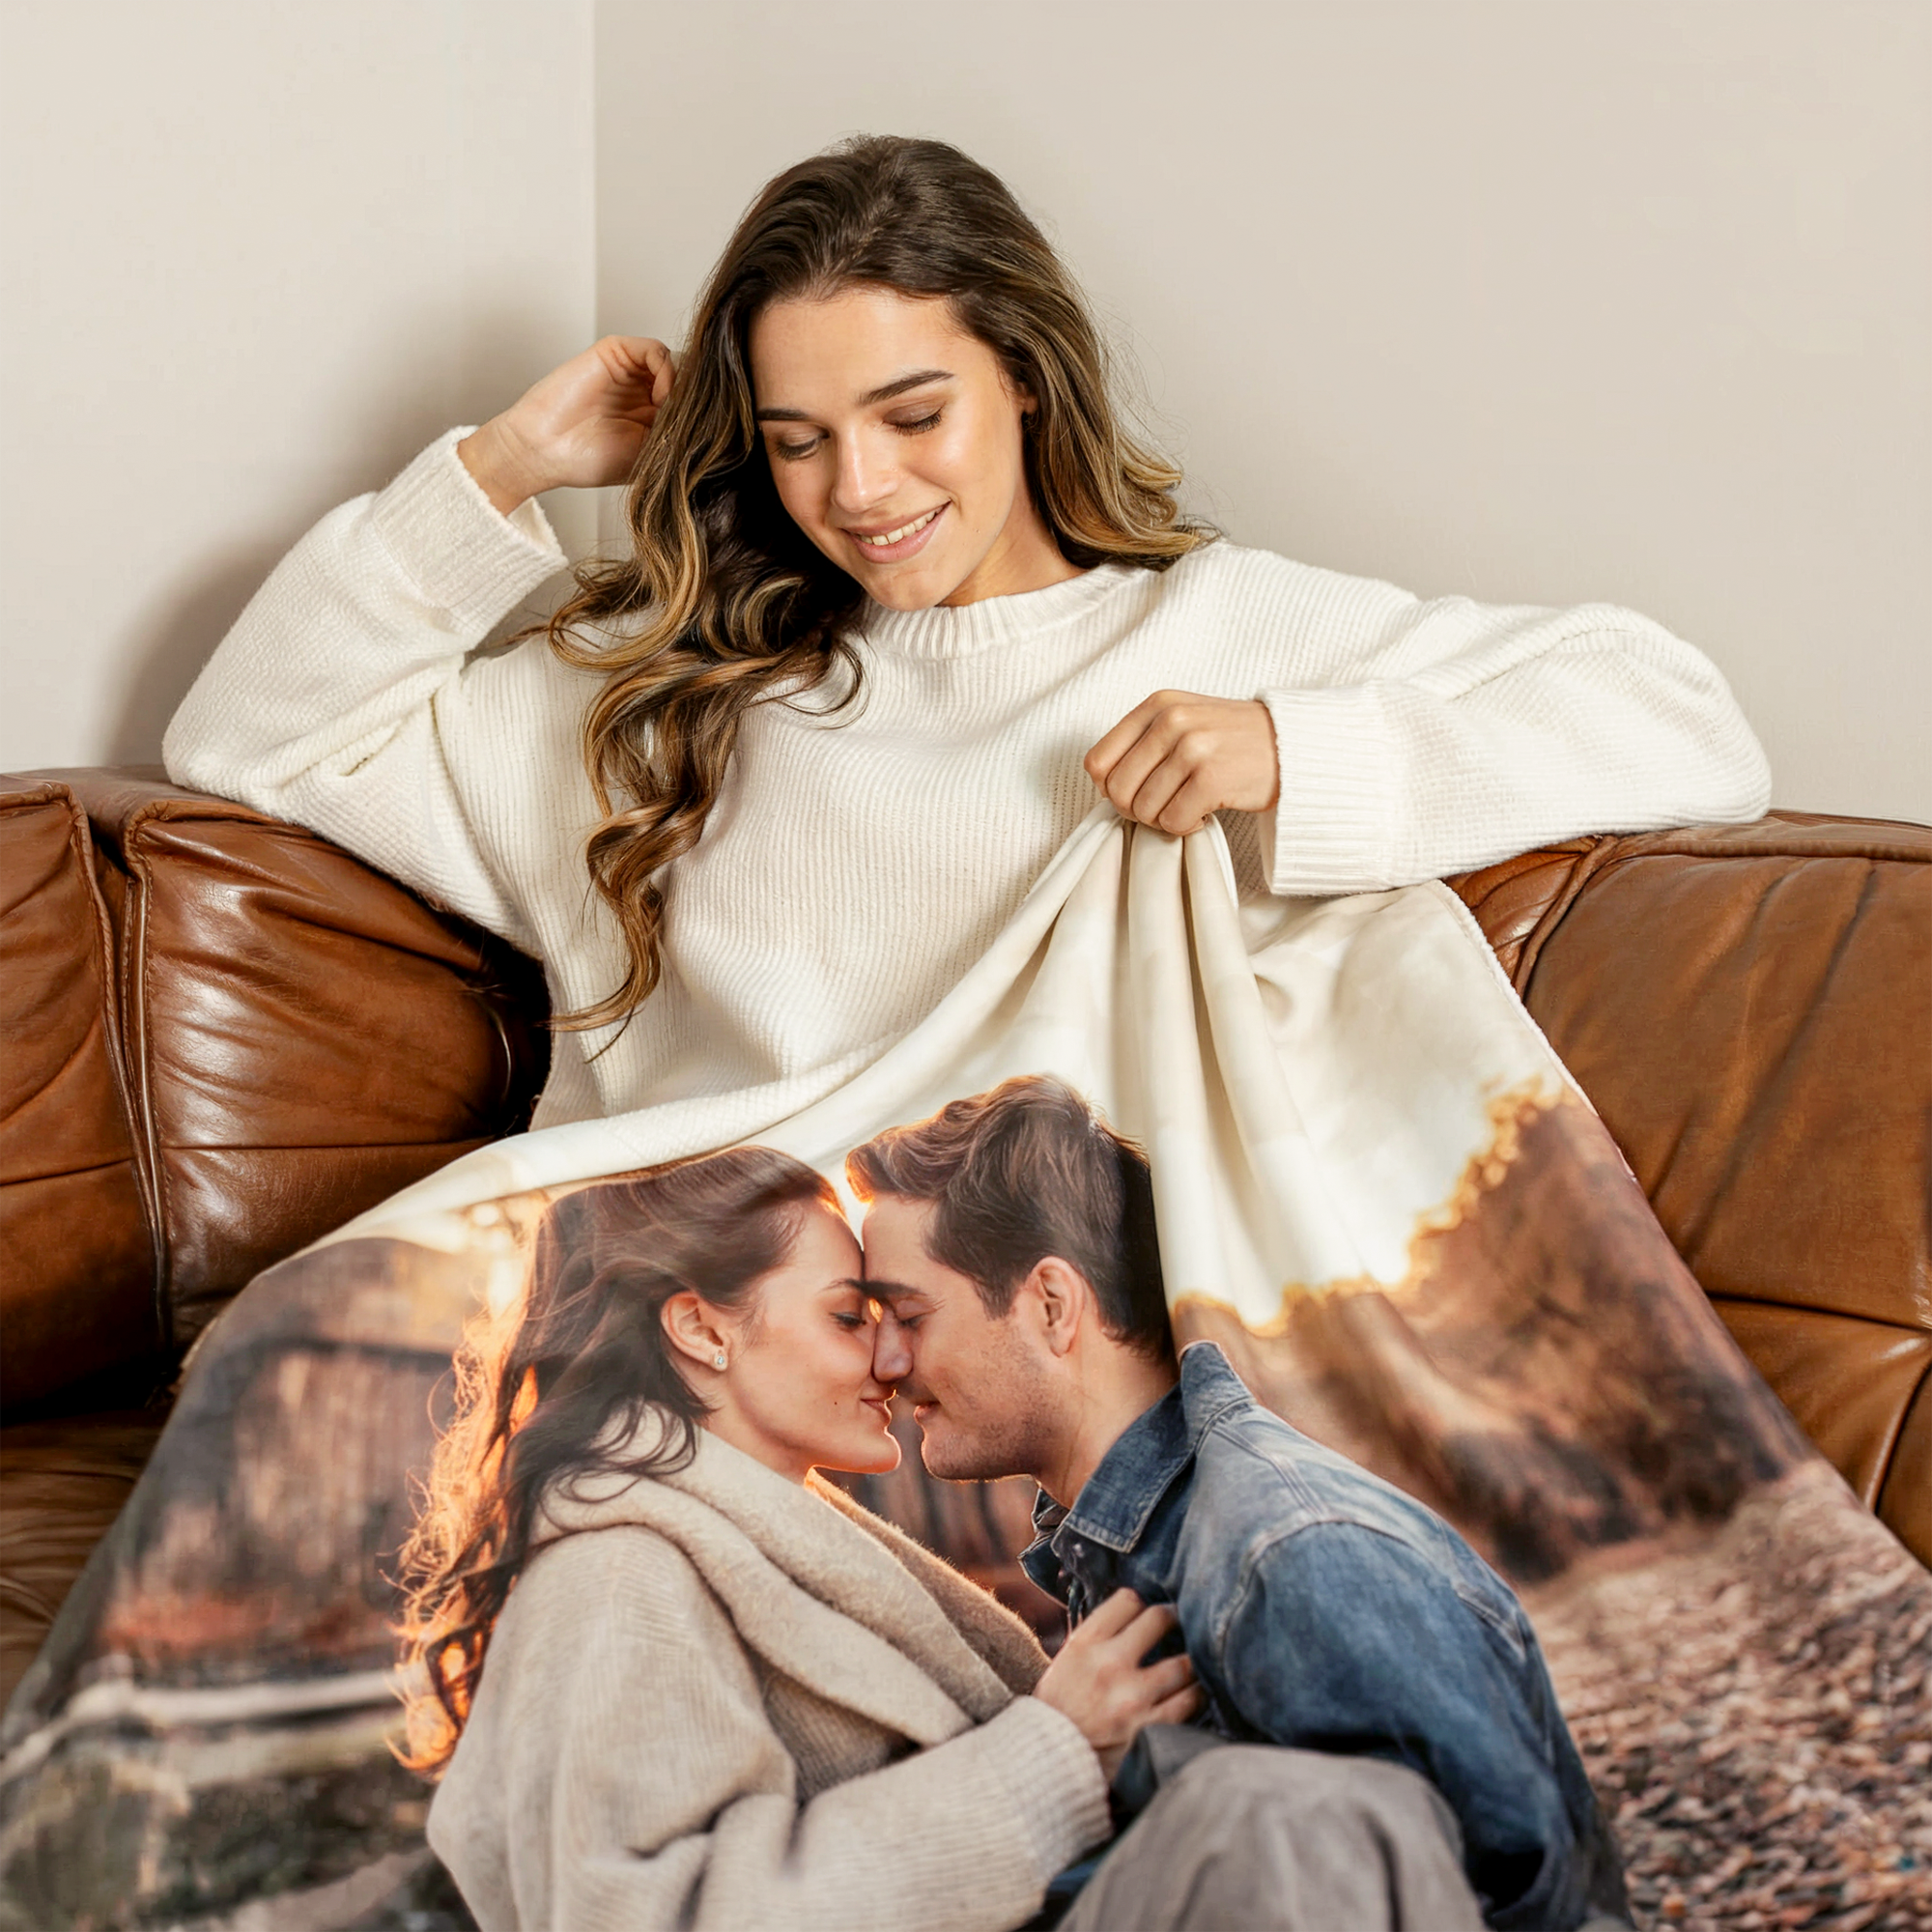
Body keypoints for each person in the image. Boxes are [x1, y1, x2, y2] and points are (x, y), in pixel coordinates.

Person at [163, 135, 1769, 1137]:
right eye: (796, 438)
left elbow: (1686, 718)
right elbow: (256, 736)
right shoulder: (671, 701)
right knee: (300, 1376)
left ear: (1022, 376)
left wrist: (1299, 753)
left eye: (911, 413)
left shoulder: (1217, 629)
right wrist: (505, 464)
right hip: (656, 1287)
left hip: (1000, 1347)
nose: (858, 490)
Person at [850, 1075, 1633, 1932]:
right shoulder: (1127, 1549)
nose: (886, 1361)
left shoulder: (1286, 1552)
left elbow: (1514, 1894)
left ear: (1049, 1305)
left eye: (909, 1314)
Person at [399, 1146, 1202, 1932]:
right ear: (702, 1331)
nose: (892, 1356)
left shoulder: (752, 1533)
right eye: (849, 1316)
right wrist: (1048, 1761)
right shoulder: (617, 1574)